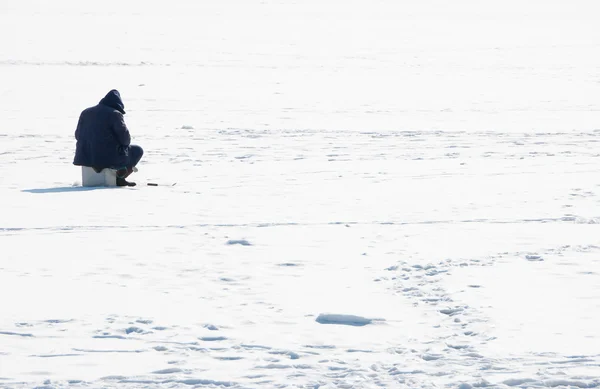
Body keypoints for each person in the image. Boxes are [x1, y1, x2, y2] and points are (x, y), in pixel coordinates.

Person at [73, 89, 143, 187]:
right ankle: (120, 177)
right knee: (137, 150)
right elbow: (125, 139)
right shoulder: (115, 114)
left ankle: (119, 174)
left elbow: (77, 135)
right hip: (108, 158)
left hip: (85, 157)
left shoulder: (85, 112)